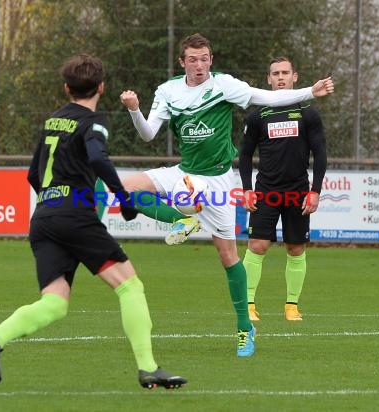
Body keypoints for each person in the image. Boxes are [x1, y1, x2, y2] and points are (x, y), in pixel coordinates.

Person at [0, 54, 187, 390]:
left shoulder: (50, 122)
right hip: (74, 216)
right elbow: (98, 157)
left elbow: (33, 174)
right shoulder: (93, 122)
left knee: (54, 303)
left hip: (43, 217)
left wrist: (54, 202)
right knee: (130, 286)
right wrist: (124, 198)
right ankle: (148, 368)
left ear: (66, 88)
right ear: (101, 87)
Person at [119, 34, 333, 357]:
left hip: (217, 180)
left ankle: (245, 330)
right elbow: (148, 134)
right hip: (185, 172)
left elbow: (267, 98)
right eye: (193, 59)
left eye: (204, 58)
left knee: (229, 258)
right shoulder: (168, 91)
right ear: (182, 62)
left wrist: (309, 92)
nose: (200, 64)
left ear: (211, 59)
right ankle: (183, 219)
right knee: (124, 187)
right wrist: (134, 110)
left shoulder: (224, 85)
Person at [239, 56, 327, 322]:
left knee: (296, 248)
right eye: (275, 73)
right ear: (268, 79)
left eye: (285, 73)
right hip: (266, 189)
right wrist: (246, 188)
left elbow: (320, 154)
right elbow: (244, 155)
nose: (280, 77)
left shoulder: (307, 113)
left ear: (294, 77)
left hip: (298, 190)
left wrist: (315, 190)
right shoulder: (257, 115)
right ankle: (249, 305)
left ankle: (291, 306)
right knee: (257, 245)